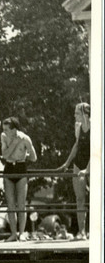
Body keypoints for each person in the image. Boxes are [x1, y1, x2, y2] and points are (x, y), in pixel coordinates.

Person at [56, 102, 90, 239]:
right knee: (79, 198)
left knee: (96, 198)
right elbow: (76, 146)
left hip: (93, 162)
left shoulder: (96, 125)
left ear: (85, 114)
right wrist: (67, 163)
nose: (74, 115)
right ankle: (82, 231)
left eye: (77, 112)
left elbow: (96, 150)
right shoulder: (78, 126)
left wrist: (88, 170)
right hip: (79, 163)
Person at [0, 117, 37, 242]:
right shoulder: (4, 137)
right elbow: (4, 155)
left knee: (21, 204)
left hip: (21, 168)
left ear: (14, 129)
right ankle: (13, 233)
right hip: (9, 167)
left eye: (6, 129)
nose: (4, 131)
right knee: (10, 204)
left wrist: (23, 154)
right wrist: (15, 143)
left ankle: (22, 233)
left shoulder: (25, 138)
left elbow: (34, 157)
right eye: (3, 129)